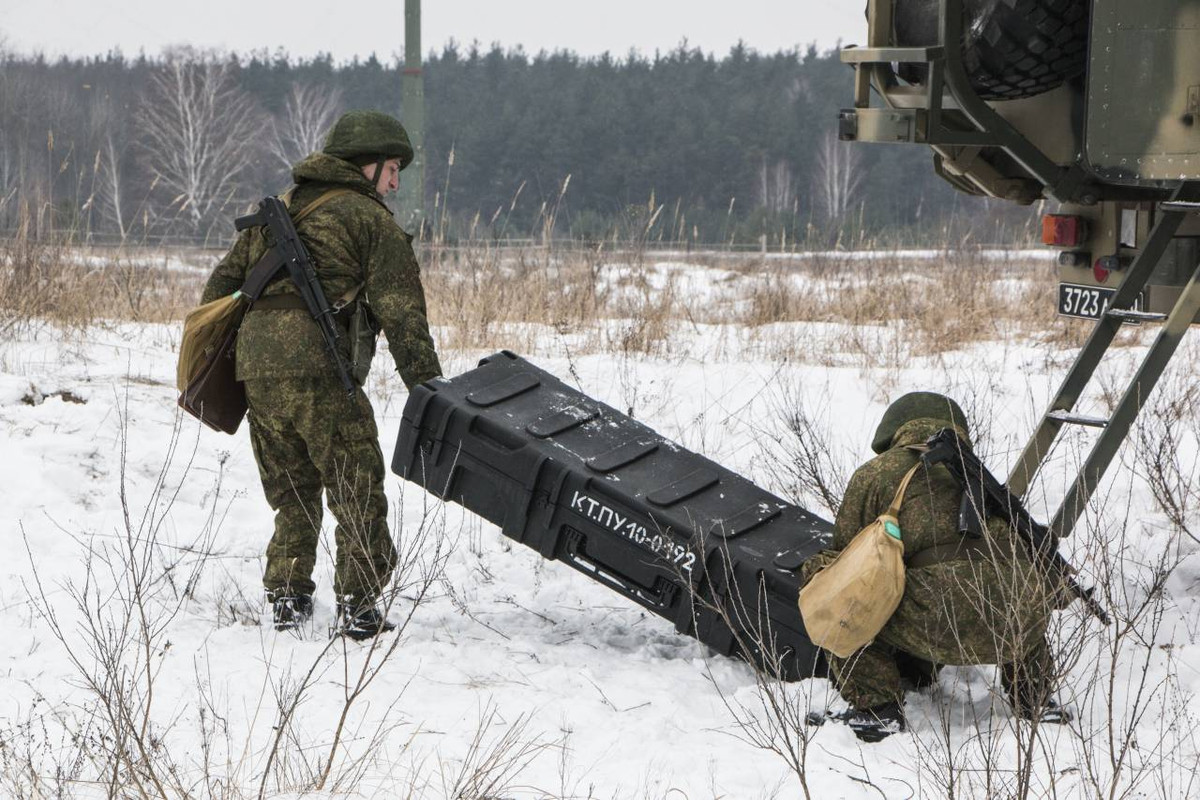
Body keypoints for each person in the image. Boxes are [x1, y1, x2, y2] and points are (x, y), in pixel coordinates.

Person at [201, 110, 442, 639]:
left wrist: (247, 357)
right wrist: (429, 393)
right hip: (321, 370)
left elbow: (218, 291)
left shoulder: (274, 211)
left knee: (291, 488)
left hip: (257, 373)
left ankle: (287, 596)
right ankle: (359, 605)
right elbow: (403, 315)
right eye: (393, 167)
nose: (397, 180)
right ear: (366, 165)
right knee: (355, 483)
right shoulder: (369, 221)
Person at [801, 392, 1067, 742]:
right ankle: (1034, 699)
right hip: (1015, 631)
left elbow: (845, 563)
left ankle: (877, 707)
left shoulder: (877, 473)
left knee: (828, 578)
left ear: (895, 430)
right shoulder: (982, 478)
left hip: (935, 621)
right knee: (1013, 583)